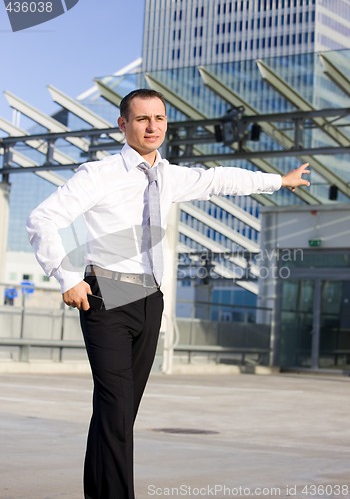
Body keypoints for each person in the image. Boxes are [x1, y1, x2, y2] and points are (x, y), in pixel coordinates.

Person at [26, 88, 310, 499]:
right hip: (107, 294)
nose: (152, 127)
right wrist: (66, 276)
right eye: (142, 119)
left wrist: (278, 181)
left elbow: (220, 180)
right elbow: (42, 219)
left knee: (119, 413)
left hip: (150, 298)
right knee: (117, 409)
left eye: (159, 119)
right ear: (123, 125)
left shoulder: (170, 175)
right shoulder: (98, 174)